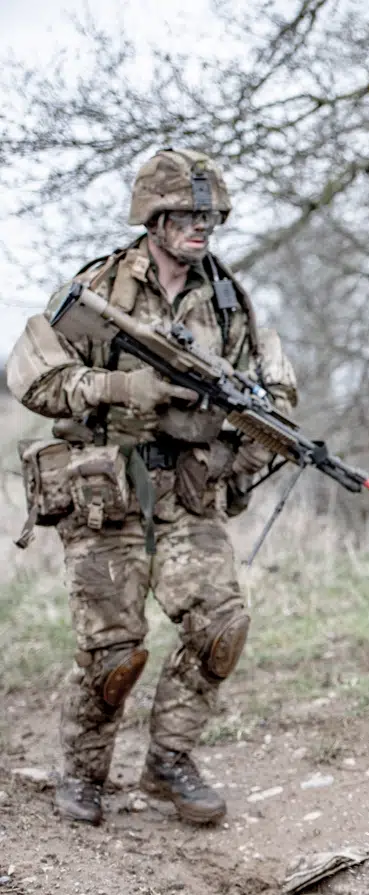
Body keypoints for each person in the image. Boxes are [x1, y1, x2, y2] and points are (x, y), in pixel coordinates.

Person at [6, 148, 297, 826]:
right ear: (153, 218)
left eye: (209, 216)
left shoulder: (228, 300)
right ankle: (84, 772)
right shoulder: (98, 288)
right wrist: (117, 386)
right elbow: (31, 377)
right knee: (111, 650)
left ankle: (169, 761)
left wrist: (236, 458)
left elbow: (276, 395)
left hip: (188, 491)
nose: (201, 226)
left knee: (220, 626)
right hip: (104, 490)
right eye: (186, 215)